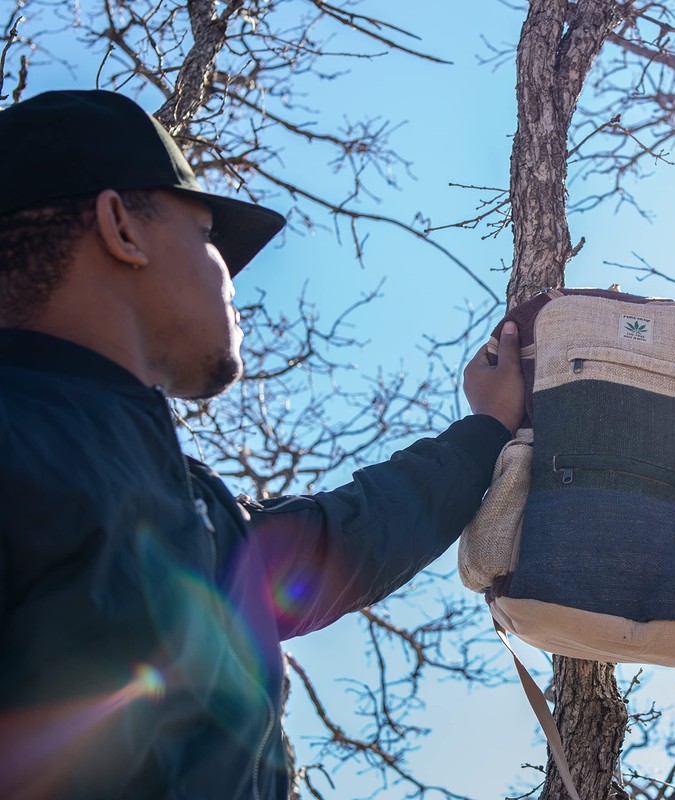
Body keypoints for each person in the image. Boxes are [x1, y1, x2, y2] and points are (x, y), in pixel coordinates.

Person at [0, 90, 525, 799]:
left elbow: (349, 540)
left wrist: (486, 433)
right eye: (209, 236)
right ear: (121, 227)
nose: (230, 277)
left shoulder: (200, 516)